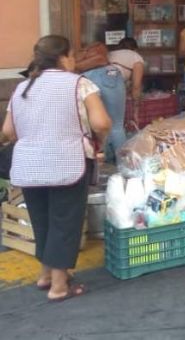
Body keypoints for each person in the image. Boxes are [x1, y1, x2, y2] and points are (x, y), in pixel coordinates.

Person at [2, 35, 112, 301]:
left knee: (42, 221)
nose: (74, 61)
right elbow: (101, 122)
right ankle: (59, 287)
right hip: (67, 162)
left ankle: (46, 275)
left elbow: (7, 131)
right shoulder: (80, 84)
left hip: (28, 165)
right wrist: (100, 141)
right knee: (65, 221)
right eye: (73, 55)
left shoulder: (22, 87)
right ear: (63, 58)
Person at [108, 37, 144, 102]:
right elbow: (136, 86)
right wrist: (136, 106)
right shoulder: (136, 57)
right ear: (135, 48)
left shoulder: (110, 53)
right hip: (115, 87)